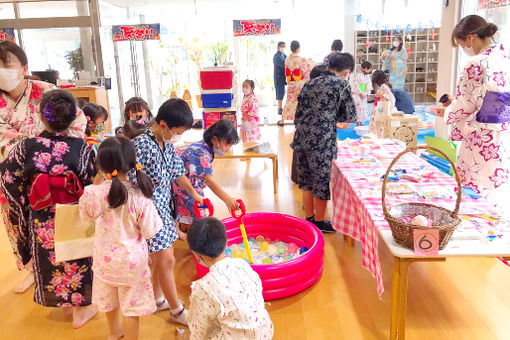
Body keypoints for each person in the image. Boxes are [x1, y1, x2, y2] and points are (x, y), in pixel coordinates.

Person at [0, 89, 97, 328]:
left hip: (41, 216)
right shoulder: (81, 148)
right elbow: (92, 182)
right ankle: (81, 309)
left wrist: (26, 204)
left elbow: (7, 179)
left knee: (50, 257)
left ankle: (63, 302)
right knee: (77, 256)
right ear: (74, 118)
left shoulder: (25, 147)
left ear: (41, 118)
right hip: (74, 214)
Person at [0, 41, 87, 293]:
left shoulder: (45, 91)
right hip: (13, 174)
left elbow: (76, 119)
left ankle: (63, 268)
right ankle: (30, 268)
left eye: (6, 65)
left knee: (55, 222)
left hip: (53, 173)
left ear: (23, 67)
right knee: (18, 222)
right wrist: (35, 141)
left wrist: (39, 145)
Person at [79, 137, 162, 340]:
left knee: (109, 299)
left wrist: (100, 179)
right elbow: (151, 230)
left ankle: (114, 333)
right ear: (132, 163)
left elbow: (85, 216)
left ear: (101, 166)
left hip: (104, 261)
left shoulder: (93, 194)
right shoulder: (140, 197)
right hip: (132, 263)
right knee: (131, 306)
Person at [130, 98, 205, 324]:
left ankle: (157, 298)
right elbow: (131, 181)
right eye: (178, 131)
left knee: (161, 259)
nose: (178, 136)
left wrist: (194, 194)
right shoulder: (141, 145)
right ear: (163, 124)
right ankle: (176, 310)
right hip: (148, 210)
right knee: (167, 259)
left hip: (164, 208)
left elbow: (177, 172)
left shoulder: (166, 144)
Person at [446, 15, 510, 203]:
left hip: (481, 135)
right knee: (495, 192)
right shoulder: (506, 55)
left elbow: (466, 103)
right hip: (503, 134)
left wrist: (448, 112)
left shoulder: (476, 62)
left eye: (461, 44)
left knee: (472, 189)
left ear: (470, 38)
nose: (464, 50)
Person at [291, 53, 357, 233]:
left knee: (306, 181)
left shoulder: (309, 84)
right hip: (321, 141)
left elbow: (298, 115)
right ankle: (319, 223)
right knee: (320, 182)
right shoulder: (341, 84)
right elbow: (349, 116)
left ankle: (309, 219)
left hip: (301, 138)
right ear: (346, 72)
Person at [186, 217, 273, 339]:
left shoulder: (203, 287)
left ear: (196, 255)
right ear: (226, 242)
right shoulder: (242, 265)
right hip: (264, 333)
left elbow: (199, 330)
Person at [174, 119, 240, 233]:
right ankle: (195, 244)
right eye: (227, 144)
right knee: (199, 214)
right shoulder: (201, 152)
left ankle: (188, 237)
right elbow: (210, 181)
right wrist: (227, 199)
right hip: (184, 185)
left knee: (194, 214)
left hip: (187, 182)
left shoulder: (204, 146)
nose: (228, 149)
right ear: (214, 139)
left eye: (230, 145)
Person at [280, 40, 312, 125]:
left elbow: (286, 70)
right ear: (298, 49)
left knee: (289, 101)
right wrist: (309, 61)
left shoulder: (287, 59)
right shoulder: (301, 59)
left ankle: (283, 120)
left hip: (291, 84)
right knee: (301, 102)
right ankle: (301, 120)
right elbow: (307, 69)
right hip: (299, 84)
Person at [368, 70, 397, 135]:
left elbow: (392, 98)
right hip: (380, 107)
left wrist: (381, 95)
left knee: (380, 124)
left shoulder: (384, 86)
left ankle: (379, 137)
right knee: (377, 123)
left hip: (383, 108)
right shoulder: (382, 86)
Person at [352, 61, 373, 126]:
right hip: (357, 95)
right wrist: (360, 93)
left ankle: (362, 124)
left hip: (364, 94)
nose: (370, 70)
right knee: (358, 109)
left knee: (364, 108)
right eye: (369, 69)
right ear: (365, 68)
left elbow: (368, 86)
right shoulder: (358, 75)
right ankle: (357, 124)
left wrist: (368, 94)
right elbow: (356, 85)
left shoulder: (367, 76)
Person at [273, 41, 286, 116]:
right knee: (280, 92)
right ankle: (279, 108)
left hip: (283, 77)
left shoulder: (283, 55)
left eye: (284, 47)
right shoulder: (276, 56)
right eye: (282, 47)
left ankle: (281, 108)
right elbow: (284, 64)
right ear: (278, 47)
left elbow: (287, 61)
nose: (283, 48)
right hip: (278, 77)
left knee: (283, 92)